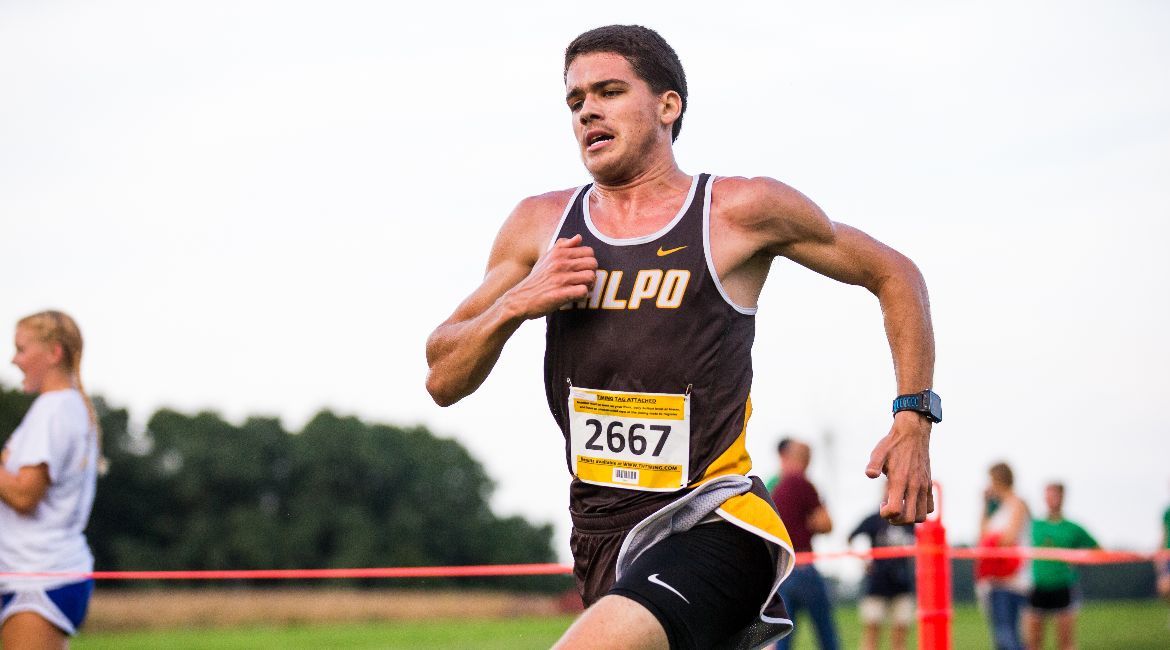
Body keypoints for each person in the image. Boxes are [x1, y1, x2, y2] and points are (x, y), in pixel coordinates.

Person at [425, 24, 938, 650]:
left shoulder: (737, 211)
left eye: (609, 91)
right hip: (602, 535)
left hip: (713, 518)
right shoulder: (541, 225)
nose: (587, 111)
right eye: (575, 100)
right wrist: (518, 302)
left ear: (668, 106)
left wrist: (913, 419)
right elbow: (442, 376)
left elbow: (895, 273)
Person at [0, 310, 100, 647]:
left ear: (54, 353)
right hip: (36, 575)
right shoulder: (62, 408)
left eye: (22, 349)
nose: (14, 360)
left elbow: (24, 495)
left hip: (39, 578)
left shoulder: (55, 410)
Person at [772, 438, 839, 650]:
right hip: (804, 567)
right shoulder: (802, 483)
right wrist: (810, 521)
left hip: (782, 570)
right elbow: (826, 524)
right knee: (826, 634)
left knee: (783, 636)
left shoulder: (775, 486)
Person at [1024, 482, 1098, 650]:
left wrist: (1078, 559)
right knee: (1033, 642)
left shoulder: (1073, 528)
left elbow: (1096, 549)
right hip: (1038, 585)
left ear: (1062, 497)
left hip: (1064, 586)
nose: (1051, 499)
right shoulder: (1035, 525)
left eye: (1054, 495)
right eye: (1048, 495)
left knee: (1066, 642)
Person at [848, 488, 916, 650]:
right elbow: (850, 537)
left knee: (900, 636)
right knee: (872, 634)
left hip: (902, 585)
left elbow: (919, 543)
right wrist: (863, 561)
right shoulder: (874, 519)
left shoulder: (908, 521)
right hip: (877, 584)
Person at [976, 462, 1031, 650]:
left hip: (1013, 581)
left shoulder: (1017, 504)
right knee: (1002, 638)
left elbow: (1008, 539)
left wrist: (990, 541)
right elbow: (982, 535)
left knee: (1009, 637)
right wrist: (985, 505)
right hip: (996, 580)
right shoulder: (999, 509)